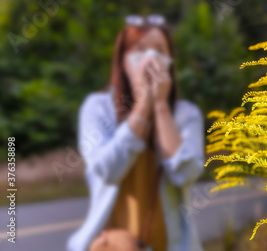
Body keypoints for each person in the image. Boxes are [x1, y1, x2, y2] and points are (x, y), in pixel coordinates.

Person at [67, 15, 205, 251]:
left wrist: (160, 107)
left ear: (170, 61)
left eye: (160, 50)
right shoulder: (98, 108)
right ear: (123, 59)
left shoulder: (186, 114)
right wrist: (142, 107)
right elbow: (106, 170)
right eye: (140, 50)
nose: (151, 59)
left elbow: (186, 173)